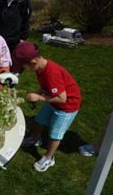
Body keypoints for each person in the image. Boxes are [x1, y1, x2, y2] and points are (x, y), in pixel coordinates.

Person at [11, 41, 82, 172]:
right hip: (52, 100)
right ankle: (34, 138)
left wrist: (39, 98)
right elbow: (46, 86)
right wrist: (39, 93)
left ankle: (49, 157)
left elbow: (62, 98)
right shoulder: (41, 68)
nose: (24, 69)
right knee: (39, 121)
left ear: (33, 62)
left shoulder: (51, 73)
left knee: (55, 134)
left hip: (66, 107)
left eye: (24, 66)